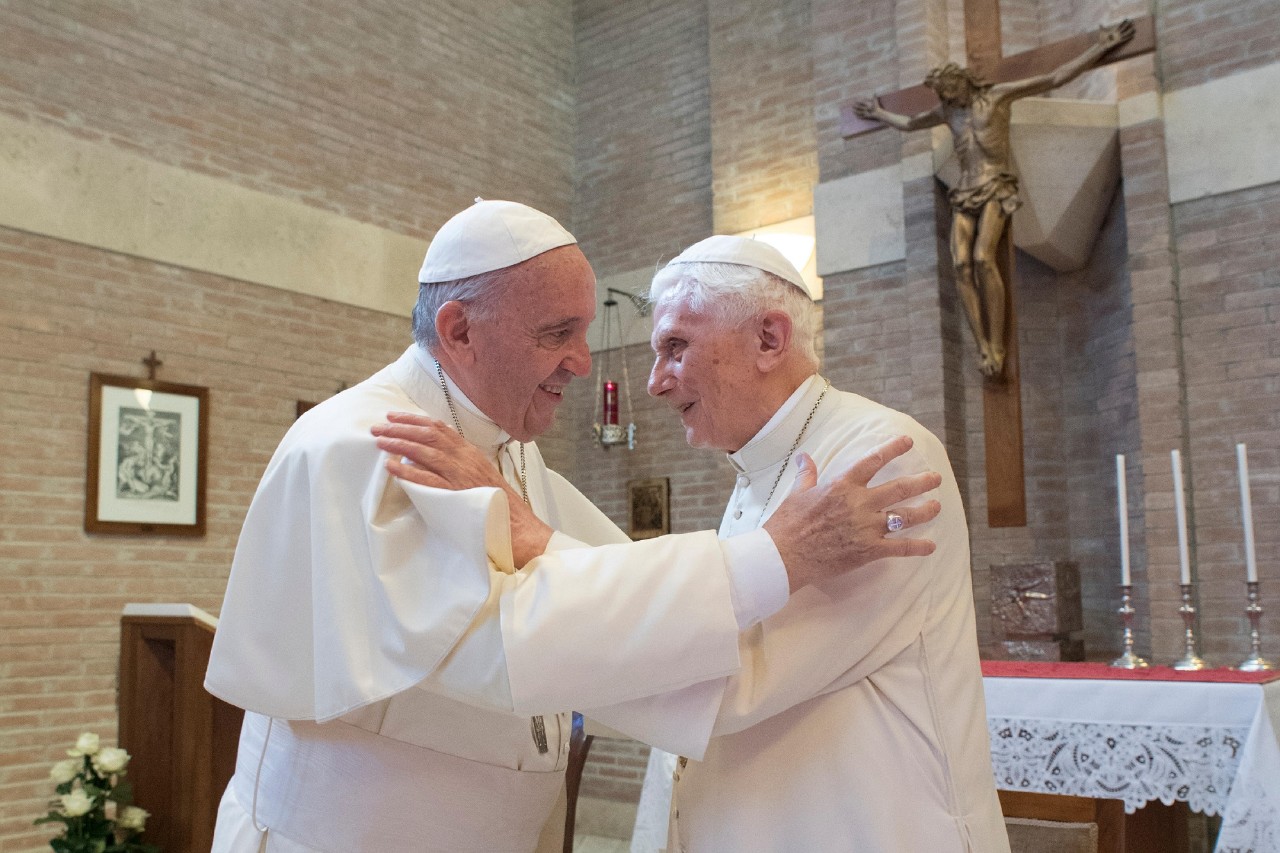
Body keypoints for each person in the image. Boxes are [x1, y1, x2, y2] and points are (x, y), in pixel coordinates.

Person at [204, 200, 944, 853]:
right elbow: (516, 640)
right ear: (460, 329)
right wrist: (773, 557)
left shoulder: (504, 454)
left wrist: (531, 532)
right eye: (557, 332)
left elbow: (629, 613)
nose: (583, 364)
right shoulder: (373, 445)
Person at [382, 235, 1010, 852]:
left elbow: (731, 680)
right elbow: (697, 620)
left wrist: (534, 538)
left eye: (675, 347)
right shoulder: (765, 469)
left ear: (769, 339)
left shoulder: (877, 460)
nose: (655, 383)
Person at [854, 19, 1135, 378]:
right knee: (960, 264)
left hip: (996, 186)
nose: (947, 97)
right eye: (942, 93)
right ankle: (983, 345)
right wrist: (880, 114)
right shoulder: (947, 112)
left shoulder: (998, 97)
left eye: (950, 89)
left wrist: (1101, 47)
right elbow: (911, 124)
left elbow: (1054, 78)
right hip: (965, 192)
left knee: (984, 257)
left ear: (963, 80)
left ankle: (997, 343)